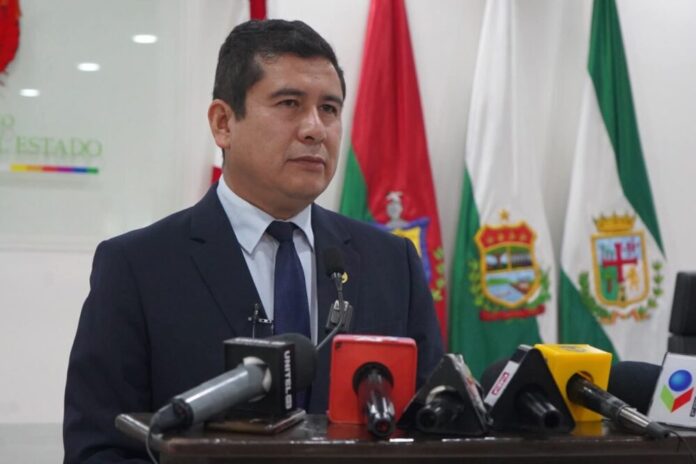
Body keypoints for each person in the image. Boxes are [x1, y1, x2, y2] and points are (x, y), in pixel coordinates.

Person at [63, 19, 443, 463]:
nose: (315, 129)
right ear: (223, 123)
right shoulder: (137, 267)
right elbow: (98, 449)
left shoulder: (392, 262)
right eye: (289, 104)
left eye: (329, 109)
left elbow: (432, 431)